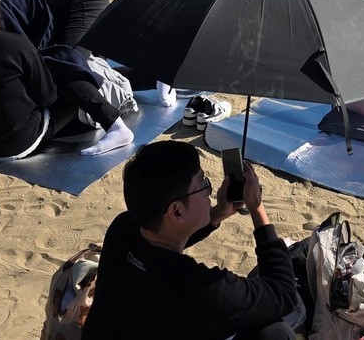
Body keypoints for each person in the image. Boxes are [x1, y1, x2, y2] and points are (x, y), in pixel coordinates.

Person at [83, 141, 300, 340]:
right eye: (203, 184)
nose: (209, 192)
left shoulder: (123, 229)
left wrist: (217, 213)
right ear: (176, 211)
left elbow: (164, 238)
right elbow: (282, 293)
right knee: (275, 333)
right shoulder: (197, 287)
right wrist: (256, 207)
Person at [0, 0, 133, 162]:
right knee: (64, 72)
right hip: (18, 142)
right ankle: (114, 123)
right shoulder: (17, 44)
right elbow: (48, 96)